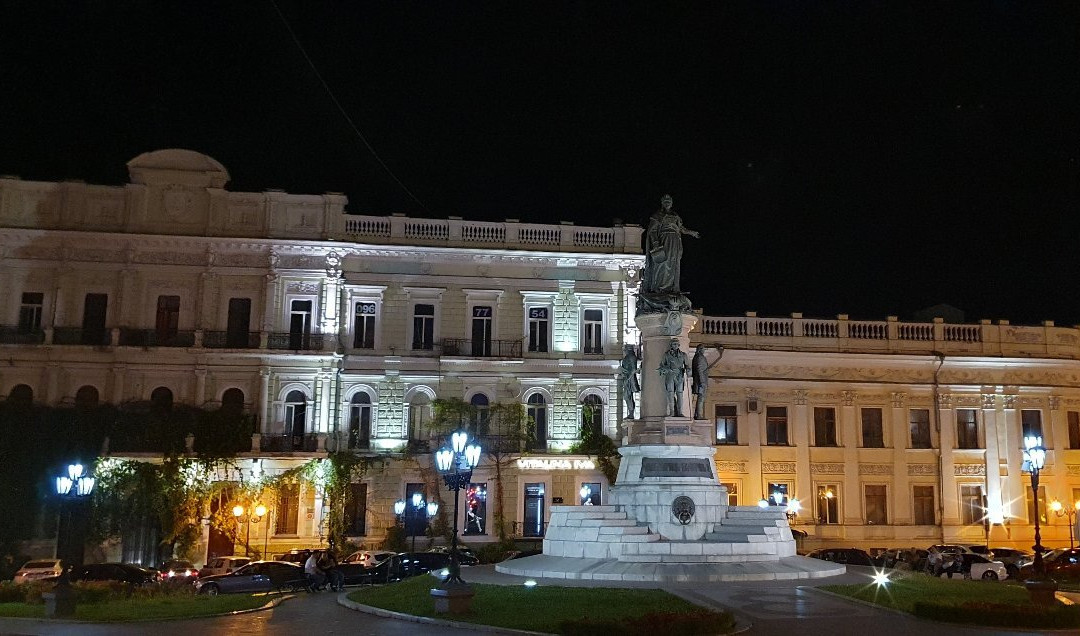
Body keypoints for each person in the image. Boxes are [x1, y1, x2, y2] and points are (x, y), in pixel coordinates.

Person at [642, 194, 699, 296]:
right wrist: (655, 243)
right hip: (663, 240)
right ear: (662, 203)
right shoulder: (657, 215)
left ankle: (671, 288)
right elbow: (652, 231)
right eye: (665, 201)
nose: (667, 202)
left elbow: (681, 229)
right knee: (662, 264)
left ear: (672, 203)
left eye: (669, 201)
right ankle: (659, 288)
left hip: (675, 241)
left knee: (672, 264)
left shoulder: (675, 216)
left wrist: (691, 233)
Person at [657, 338, 691, 417]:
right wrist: (666, 369)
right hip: (670, 376)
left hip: (679, 376)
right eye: (674, 344)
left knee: (680, 394)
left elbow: (687, 365)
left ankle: (680, 412)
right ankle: (672, 412)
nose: (675, 345)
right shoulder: (666, 355)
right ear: (671, 345)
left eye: (676, 344)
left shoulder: (683, 355)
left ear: (679, 345)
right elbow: (661, 366)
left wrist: (688, 370)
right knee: (670, 393)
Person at [691, 345, 724, 420]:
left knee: (701, 398)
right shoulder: (700, 357)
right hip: (701, 381)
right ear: (699, 349)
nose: (704, 350)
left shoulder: (699, 357)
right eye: (703, 349)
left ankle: (698, 414)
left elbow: (703, 369)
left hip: (701, 380)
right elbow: (699, 370)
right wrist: (702, 381)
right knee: (701, 398)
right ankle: (699, 415)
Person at [618, 345, 641, 417]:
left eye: (625, 349)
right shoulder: (627, 357)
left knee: (627, 396)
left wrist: (627, 377)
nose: (624, 351)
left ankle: (631, 413)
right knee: (627, 396)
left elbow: (633, 369)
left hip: (630, 379)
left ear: (628, 349)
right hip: (626, 378)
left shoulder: (631, 357)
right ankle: (631, 413)